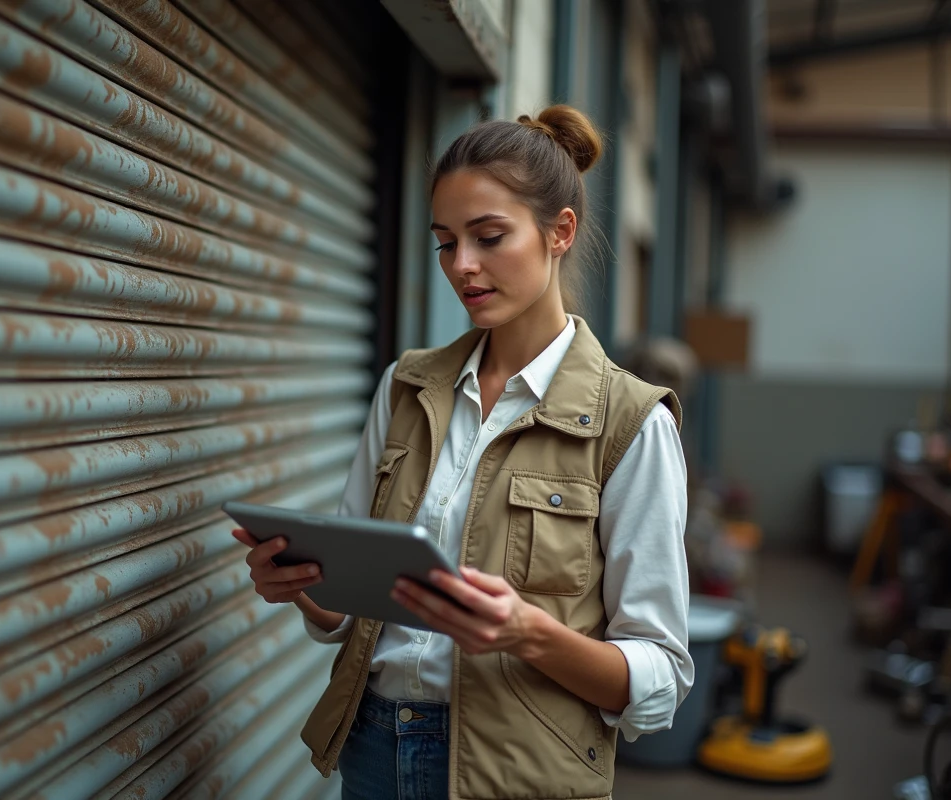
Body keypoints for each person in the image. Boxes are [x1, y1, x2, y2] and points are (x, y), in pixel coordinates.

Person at [231, 105, 692, 800]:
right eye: (446, 242)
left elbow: (659, 675)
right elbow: (354, 612)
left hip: (519, 774)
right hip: (373, 747)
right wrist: (305, 591)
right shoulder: (407, 386)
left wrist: (527, 632)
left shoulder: (630, 422)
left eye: (489, 236)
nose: (463, 267)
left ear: (559, 232)